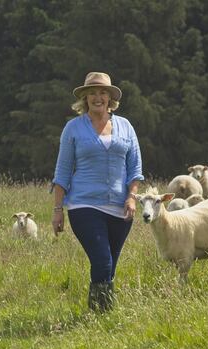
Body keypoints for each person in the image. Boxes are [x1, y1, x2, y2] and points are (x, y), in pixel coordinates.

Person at [51, 72, 144, 312]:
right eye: (92, 93)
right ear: (84, 98)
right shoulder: (73, 128)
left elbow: (135, 168)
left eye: (103, 92)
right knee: (102, 261)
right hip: (84, 206)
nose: (97, 97)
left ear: (111, 98)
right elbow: (62, 171)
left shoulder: (125, 126)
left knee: (110, 266)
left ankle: (101, 318)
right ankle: (100, 314)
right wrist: (57, 209)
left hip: (120, 208)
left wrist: (132, 197)